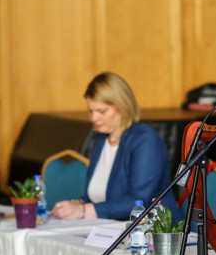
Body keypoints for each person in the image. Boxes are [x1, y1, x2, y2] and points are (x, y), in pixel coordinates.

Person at [52, 72, 180, 221]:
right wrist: (77, 204)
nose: (94, 118)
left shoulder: (147, 140)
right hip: (108, 226)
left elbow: (139, 201)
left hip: (152, 229)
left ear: (122, 106)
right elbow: (99, 197)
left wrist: (84, 210)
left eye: (101, 111)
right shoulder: (101, 138)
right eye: (91, 111)